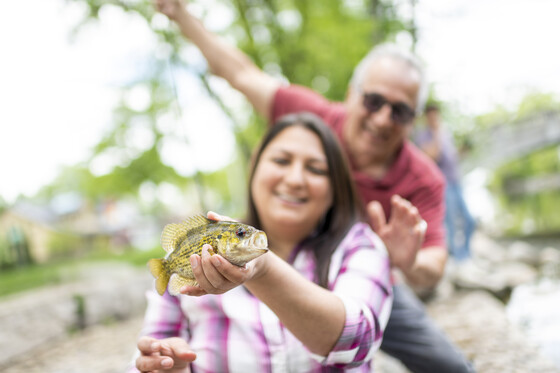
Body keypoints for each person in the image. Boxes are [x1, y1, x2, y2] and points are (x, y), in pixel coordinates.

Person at [155, 1, 475, 372]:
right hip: (287, 261)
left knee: (451, 366)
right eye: (373, 101)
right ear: (352, 94)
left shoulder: (424, 178)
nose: (382, 118)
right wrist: (181, 14)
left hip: (366, 273)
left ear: (412, 120)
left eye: (399, 111)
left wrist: (407, 260)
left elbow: (434, 264)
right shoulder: (311, 119)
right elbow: (240, 73)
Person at [130, 113, 393, 372]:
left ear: (336, 187)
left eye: (315, 169)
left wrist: (264, 269)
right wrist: (167, 366)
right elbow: (148, 353)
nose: (294, 179)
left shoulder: (360, 246)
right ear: (254, 168)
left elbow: (360, 338)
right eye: (281, 160)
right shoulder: (180, 263)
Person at [415, 104, 476, 261]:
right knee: (451, 224)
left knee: (469, 220)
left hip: (456, 182)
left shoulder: (445, 132)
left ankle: (466, 255)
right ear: (427, 118)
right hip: (443, 185)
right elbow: (432, 156)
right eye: (431, 116)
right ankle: (457, 259)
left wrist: (463, 151)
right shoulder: (425, 135)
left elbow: (452, 157)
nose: (435, 119)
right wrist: (436, 134)